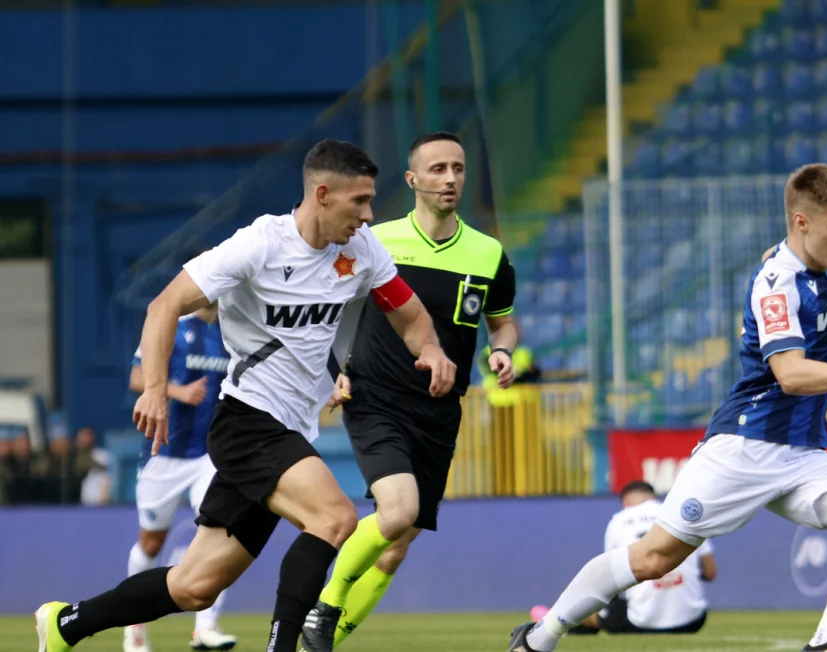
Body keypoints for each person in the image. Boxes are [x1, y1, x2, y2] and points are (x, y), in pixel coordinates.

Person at [34, 138, 456, 652]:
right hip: (248, 423)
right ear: (322, 194)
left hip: (288, 433)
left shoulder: (361, 251)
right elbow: (163, 306)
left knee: (193, 587)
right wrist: (157, 390)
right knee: (337, 518)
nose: (369, 216)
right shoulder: (258, 245)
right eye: (359, 202)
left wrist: (431, 349)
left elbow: (407, 313)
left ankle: (65, 624)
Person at [509, 164, 827, 652]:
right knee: (654, 558)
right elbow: (790, 373)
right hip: (745, 447)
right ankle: (540, 637)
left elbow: (791, 250)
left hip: (803, 455)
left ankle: (826, 644)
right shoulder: (776, 283)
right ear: (802, 222)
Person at [300, 131, 519, 652]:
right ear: (412, 179)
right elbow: (318, 307)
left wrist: (502, 350)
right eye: (438, 169)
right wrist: (332, 368)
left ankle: (324, 640)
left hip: (440, 412)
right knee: (395, 512)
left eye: (459, 168)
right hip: (375, 397)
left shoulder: (488, 254)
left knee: (395, 548)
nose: (450, 178)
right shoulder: (374, 241)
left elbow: (503, 323)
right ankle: (323, 609)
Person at [123, 297, 236, 652]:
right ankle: (134, 627)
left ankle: (205, 627)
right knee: (151, 542)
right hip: (164, 451)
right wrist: (178, 391)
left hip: (210, 454)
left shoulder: (231, 330)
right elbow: (137, 377)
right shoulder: (169, 323)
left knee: (221, 532)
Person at [531, 480, 717, 636]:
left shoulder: (619, 520)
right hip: (693, 621)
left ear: (626, 501)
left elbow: (611, 578)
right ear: (653, 496)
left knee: (586, 603)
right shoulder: (685, 514)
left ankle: (556, 622)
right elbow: (710, 572)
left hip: (642, 622)